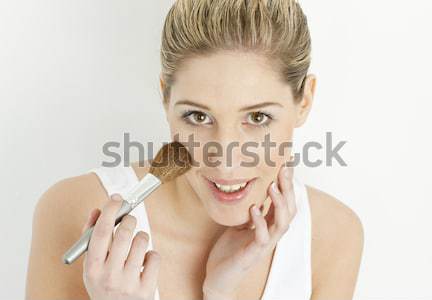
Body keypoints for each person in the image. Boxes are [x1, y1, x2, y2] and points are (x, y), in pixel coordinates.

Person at [25, 1, 364, 299]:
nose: (226, 158)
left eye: (258, 117)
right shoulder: (74, 210)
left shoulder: (330, 236)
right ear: (165, 97)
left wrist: (221, 294)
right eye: (198, 116)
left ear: (304, 100)